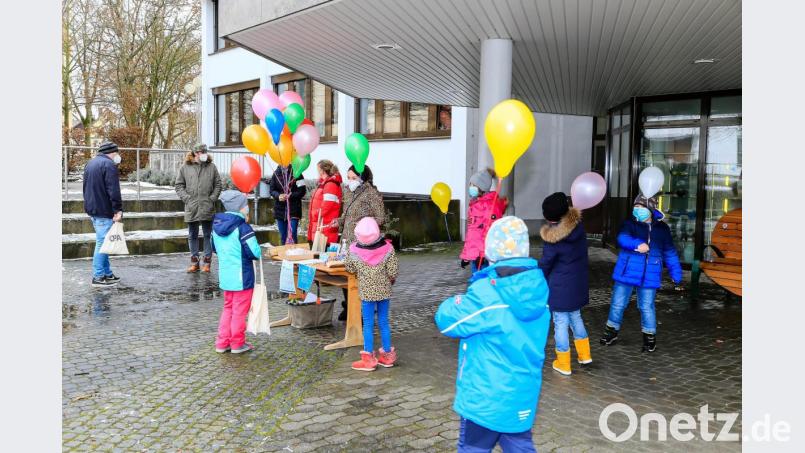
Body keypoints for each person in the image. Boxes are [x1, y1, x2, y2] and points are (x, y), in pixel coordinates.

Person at [435, 216, 550, 453]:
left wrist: (460, 298)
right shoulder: (538, 290)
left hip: (486, 398)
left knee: (471, 448)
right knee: (519, 445)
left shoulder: (487, 293)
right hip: (521, 395)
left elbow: (446, 320)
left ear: (491, 253)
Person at [600, 194, 683, 352]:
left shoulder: (662, 229)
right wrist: (637, 243)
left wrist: (676, 272)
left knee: (646, 306)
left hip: (650, 274)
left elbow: (670, 252)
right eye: (635, 207)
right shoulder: (630, 224)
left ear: (650, 209)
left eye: (640, 207)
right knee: (617, 304)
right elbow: (622, 238)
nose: (636, 210)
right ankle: (611, 332)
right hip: (626, 272)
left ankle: (649, 337)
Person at [538, 192, 592, 376]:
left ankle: (563, 363)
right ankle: (585, 355)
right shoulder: (578, 227)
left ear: (548, 217)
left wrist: (538, 278)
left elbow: (546, 263)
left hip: (560, 286)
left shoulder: (554, 238)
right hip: (577, 283)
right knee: (576, 317)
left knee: (560, 321)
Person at [211, 190, 262, 354]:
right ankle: (237, 343)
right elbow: (254, 252)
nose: (247, 208)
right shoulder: (243, 227)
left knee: (228, 309)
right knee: (240, 311)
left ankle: (222, 342)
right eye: (245, 205)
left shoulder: (216, 226)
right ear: (240, 208)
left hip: (226, 276)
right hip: (243, 277)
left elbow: (214, 248)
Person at [345, 217, 399, 371]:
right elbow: (393, 271)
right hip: (384, 291)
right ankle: (387, 356)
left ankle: (368, 359)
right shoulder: (388, 249)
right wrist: (390, 279)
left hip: (367, 293)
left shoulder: (354, 250)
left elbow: (349, 267)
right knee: (383, 322)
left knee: (368, 324)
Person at [334, 164, 385, 320]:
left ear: (362, 178)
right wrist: (338, 221)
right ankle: (349, 307)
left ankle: (362, 313)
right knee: (346, 275)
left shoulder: (371, 194)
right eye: (348, 178)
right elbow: (347, 214)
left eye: (354, 178)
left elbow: (381, 218)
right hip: (347, 241)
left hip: (363, 245)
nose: (350, 181)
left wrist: (365, 225)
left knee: (360, 279)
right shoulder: (349, 192)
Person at [174, 144, 222, 273]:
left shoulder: (211, 167)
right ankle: (194, 262)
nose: (203, 154)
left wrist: (212, 199)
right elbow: (179, 185)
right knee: (192, 235)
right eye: (201, 152)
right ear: (195, 153)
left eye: (205, 152)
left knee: (208, 234)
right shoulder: (185, 168)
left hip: (207, 206)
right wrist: (187, 199)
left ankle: (207, 262)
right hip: (192, 206)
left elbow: (218, 184)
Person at [83, 141, 124, 288]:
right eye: (117, 153)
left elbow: (85, 188)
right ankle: (98, 276)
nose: (118, 156)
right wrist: (118, 210)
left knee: (105, 242)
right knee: (102, 243)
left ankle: (107, 273)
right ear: (112, 152)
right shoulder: (109, 165)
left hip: (93, 209)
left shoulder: (90, 163)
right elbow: (114, 191)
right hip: (104, 211)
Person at [459, 168, 508, 273]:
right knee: (478, 283)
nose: (470, 188)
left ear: (482, 188)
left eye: (473, 186)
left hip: (484, 257)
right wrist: (467, 257)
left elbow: (490, 232)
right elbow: (472, 235)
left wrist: (483, 255)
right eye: (470, 185)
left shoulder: (489, 206)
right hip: (476, 256)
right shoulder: (475, 205)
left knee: (484, 283)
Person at [307, 160, 343, 246]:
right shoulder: (324, 183)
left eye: (318, 169)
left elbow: (327, 205)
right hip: (321, 224)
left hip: (325, 225)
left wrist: (316, 214)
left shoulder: (330, 184)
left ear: (322, 170)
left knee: (322, 254)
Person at [268, 164, 307, 244]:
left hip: (294, 209)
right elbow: (272, 190)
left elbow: (302, 191)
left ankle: (294, 254)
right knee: (283, 236)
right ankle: (284, 255)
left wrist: (291, 195)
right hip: (280, 210)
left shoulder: (297, 173)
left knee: (292, 234)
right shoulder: (276, 173)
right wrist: (278, 196)